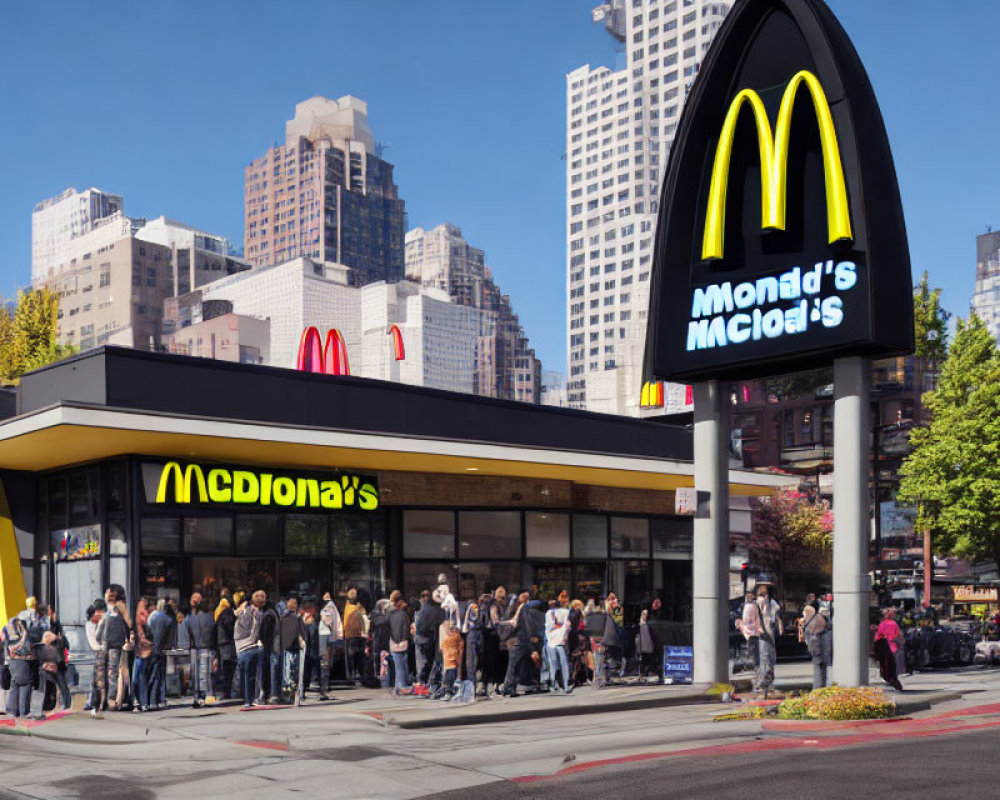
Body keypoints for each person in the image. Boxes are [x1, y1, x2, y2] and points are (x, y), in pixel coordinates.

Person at [94, 585, 131, 716]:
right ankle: (112, 700)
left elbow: (98, 634)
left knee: (106, 673)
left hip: (106, 646)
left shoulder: (107, 615)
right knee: (113, 673)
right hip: (116, 647)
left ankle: (105, 700)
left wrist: (101, 641)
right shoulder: (119, 613)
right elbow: (127, 628)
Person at [234, 590, 265, 708]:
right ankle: (256, 698)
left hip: (240, 648)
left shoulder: (240, 613)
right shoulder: (256, 613)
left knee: (245, 676)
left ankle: (247, 700)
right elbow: (256, 631)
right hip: (252, 646)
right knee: (255, 676)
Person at [500, 592, 533, 697]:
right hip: (518, 640)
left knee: (515, 664)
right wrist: (530, 637)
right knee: (515, 665)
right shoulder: (524, 608)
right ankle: (508, 687)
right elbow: (526, 624)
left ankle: (510, 687)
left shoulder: (511, 608)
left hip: (512, 640)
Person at [185, 592, 214, 707]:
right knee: (202, 673)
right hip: (200, 648)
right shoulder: (207, 617)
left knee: (198, 673)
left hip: (197, 648)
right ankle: (201, 696)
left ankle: (199, 696)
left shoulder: (190, 618)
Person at [4, 615, 35, 718]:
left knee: (14, 685)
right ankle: (24, 712)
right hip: (22, 662)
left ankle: (13, 711)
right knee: (25, 685)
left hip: (12, 663)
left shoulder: (8, 634)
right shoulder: (23, 636)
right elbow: (26, 649)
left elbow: (7, 650)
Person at [754, 585, 782, 699]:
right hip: (763, 634)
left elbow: (776, 614)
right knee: (765, 660)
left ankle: (768, 687)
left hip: (769, 632)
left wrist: (780, 627)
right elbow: (757, 617)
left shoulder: (771, 602)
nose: (765, 595)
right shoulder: (759, 603)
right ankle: (763, 688)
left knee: (770, 659)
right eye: (763, 593)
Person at [147, 598, 175, 710]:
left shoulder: (152, 618)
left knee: (153, 675)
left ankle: (151, 700)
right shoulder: (168, 619)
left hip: (152, 648)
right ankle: (161, 699)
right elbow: (170, 638)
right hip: (162, 650)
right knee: (161, 675)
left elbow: (148, 631)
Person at [414, 588, 444, 693]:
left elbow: (419, 625)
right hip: (430, 638)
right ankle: (425, 684)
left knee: (422, 663)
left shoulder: (425, 608)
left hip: (421, 637)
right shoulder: (438, 610)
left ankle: (422, 684)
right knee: (429, 662)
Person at [279, 596, 308, 702]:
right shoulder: (287, 618)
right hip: (289, 649)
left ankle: (292, 694)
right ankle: (291, 694)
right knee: (290, 672)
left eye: (294, 603)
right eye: (291, 603)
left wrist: (302, 640)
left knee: (291, 672)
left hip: (293, 648)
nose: (292, 605)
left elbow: (301, 633)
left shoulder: (293, 618)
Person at [544, 591, 571, 693]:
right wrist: (564, 636)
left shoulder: (549, 613)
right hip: (557, 639)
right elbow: (567, 626)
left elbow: (548, 627)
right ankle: (563, 684)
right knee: (562, 663)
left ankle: (556, 684)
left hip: (552, 639)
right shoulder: (565, 612)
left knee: (554, 663)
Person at [318, 592, 343, 701]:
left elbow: (327, 620)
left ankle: (324, 690)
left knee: (325, 663)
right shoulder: (332, 606)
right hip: (329, 636)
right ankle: (325, 690)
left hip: (325, 635)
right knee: (326, 663)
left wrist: (331, 628)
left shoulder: (328, 607)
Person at [800, 605, 831, 689]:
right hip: (820, 646)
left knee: (818, 666)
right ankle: (820, 688)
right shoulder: (819, 619)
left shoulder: (808, 622)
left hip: (815, 646)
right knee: (822, 666)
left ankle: (818, 688)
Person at [83, 600, 106, 711]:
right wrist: (101, 648)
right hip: (97, 653)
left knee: (98, 679)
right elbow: (94, 642)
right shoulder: (91, 625)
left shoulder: (96, 623)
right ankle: (93, 702)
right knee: (96, 679)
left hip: (99, 652)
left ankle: (94, 701)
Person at [874, 607, 905, 691]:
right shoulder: (893, 624)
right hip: (892, 648)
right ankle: (893, 680)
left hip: (883, 647)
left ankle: (889, 679)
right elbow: (896, 635)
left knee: (885, 666)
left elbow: (878, 636)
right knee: (892, 666)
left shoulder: (882, 624)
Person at [258, 599, 282, 704]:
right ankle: (275, 693)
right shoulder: (275, 613)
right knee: (274, 671)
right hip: (276, 645)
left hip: (270, 646)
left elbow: (265, 632)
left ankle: (271, 693)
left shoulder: (268, 615)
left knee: (269, 671)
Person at [132, 597, 153, 712]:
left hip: (144, 653)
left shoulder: (147, 626)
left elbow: (150, 640)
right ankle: (137, 701)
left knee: (142, 677)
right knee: (136, 678)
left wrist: (147, 643)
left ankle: (143, 702)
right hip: (137, 652)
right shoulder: (134, 625)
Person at [214, 596, 237, 700]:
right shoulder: (228, 614)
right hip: (227, 644)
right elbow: (229, 626)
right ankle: (226, 691)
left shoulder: (219, 613)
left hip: (220, 644)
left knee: (223, 669)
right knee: (228, 669)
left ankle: (223, 692)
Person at [343, 588, 367, 684]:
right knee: (359, 656)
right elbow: (364, 620)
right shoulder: (359, 608)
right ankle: (361, 674)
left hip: (349, 635)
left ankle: (351, 676)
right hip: (358, 634)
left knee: (350, 657)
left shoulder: (346, 608)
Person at [388, 596, 411, 695]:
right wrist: (403, 639)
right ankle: (402, 687)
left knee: (398, 666)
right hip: (401, 643)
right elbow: (406, 628)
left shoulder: (391, 614)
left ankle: (398, 687)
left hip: (393, 642)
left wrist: (394, 639)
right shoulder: (404, 615)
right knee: (401, 666)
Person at [438, 620, 464, 700]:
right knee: (453, 673)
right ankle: (451, 691)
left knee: (448, 674)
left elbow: (442, 646)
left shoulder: (447, 637)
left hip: (449, 659)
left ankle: (448, 692)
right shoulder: (458, 637)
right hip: (455, 659)